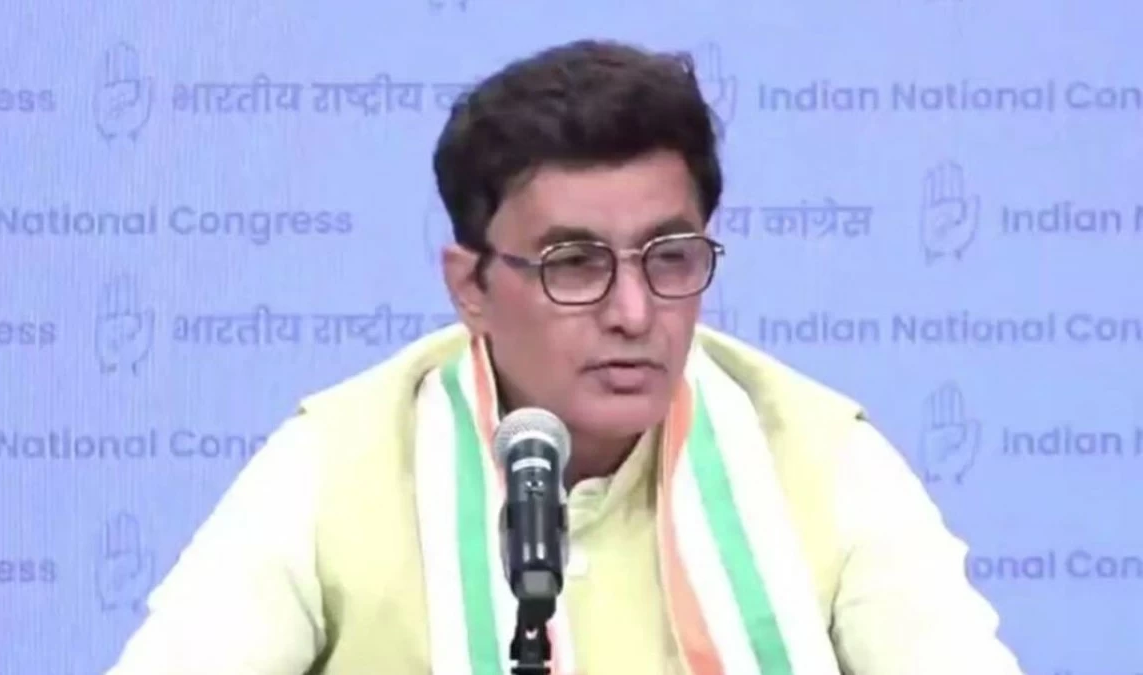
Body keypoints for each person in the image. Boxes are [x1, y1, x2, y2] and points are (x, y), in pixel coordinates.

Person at [105, 39, 1024, 674]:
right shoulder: (333, 468)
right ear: (470, 286)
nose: (634, 312)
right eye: (574, 264)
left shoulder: (823, 461)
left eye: (670, 257)